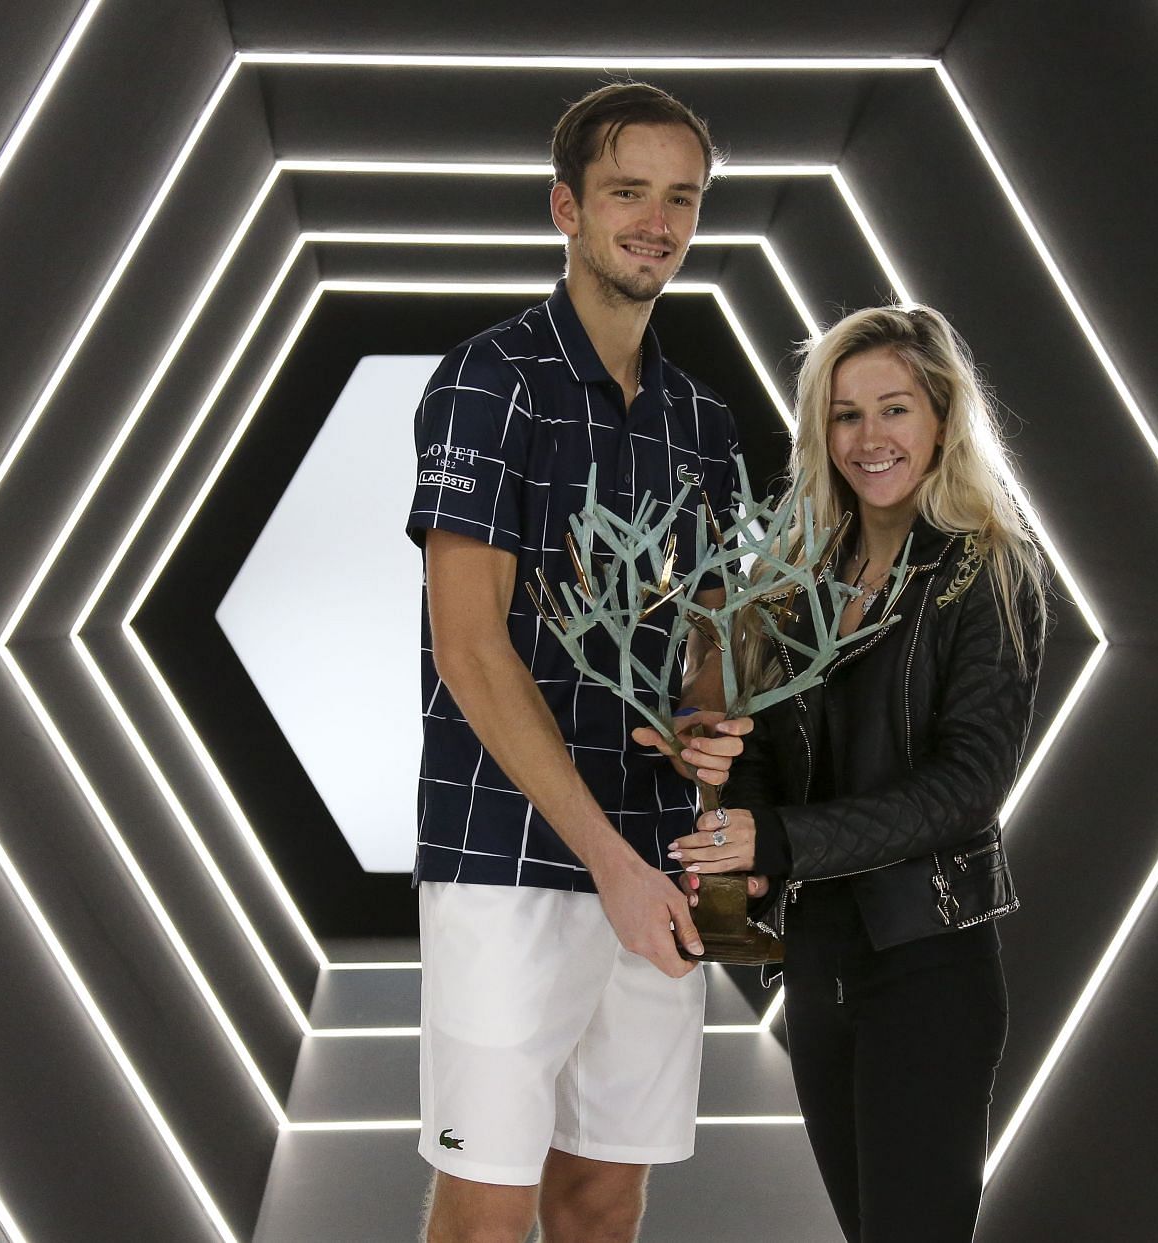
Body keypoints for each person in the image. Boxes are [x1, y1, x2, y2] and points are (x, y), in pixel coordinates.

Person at [405, 82, 750, 1243]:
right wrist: (602, 856)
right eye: (628, 193)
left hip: (654, 863)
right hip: (506, 857)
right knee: (489, 1205)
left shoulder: (704, 421)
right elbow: (467, 644)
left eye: (682, 198)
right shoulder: (486, 381)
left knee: (608, 1196)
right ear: (565, 206)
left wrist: (707, 722)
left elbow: (710, 637)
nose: (658, 221)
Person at [667, 305, 1049, 1242]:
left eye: (894, 409)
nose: (869, 438)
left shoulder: (986, 570)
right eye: (844, 414)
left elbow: (969, 785)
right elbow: (761, 748)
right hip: (819, 959)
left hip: (929, 961)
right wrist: (747, 843)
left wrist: (784, 840)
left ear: (943, 418)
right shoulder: (799, 572)